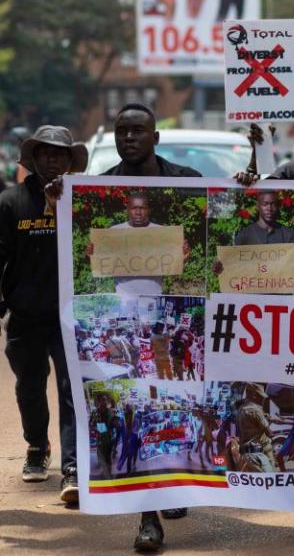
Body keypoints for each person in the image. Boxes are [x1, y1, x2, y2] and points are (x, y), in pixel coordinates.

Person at [46, 103, 200, 552]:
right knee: (137, 411)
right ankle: (148, 518)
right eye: (121, 131)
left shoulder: (187, 184)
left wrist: (251, 173)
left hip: (170, 326)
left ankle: (174, 489)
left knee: (173, 408)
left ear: (156, 138)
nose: (129, 137)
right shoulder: (97, 193)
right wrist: (61, 196)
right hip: (123, 328)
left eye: (138, 130)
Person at [0, 125, 86, 504]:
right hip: (25, 315)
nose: (52, 159)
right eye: (45, 153)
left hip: (69, 316)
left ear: (70, 160)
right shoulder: (10, 202)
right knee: (29, 387)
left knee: (71, 391)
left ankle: (72, 468)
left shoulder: (82, 200)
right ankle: (37, 446)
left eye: (60, 153)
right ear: (33, 159)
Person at [85, 191, 191, 298]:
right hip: (123, 298)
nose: (138, 212)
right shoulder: (114, 232)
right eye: (134, 208)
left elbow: (170, 263)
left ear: (149, 210)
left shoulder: (161, 233)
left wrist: (184, 256)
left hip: (154, 296)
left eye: (142, 208)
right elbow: (100, 262)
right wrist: (91, 254)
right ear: (127, 210)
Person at [212, 190, 294, 272]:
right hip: (252, 296)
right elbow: (232, 265)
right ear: (258, 206)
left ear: (278, 206)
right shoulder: (244, 235)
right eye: (265, 204)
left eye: (273, 204)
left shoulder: (288, 235)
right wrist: (220, 267)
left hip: (281, 296)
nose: (269, 209)